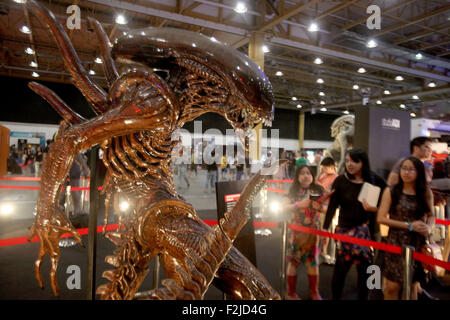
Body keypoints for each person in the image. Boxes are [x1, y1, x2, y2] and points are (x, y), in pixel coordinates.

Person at [323, 148, 386, 300]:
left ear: (363, 163)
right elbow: (333, 206)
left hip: (367, 233)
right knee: (340, 272)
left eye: (354, 161)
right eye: (348, 161)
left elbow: (387, 200)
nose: (350, 164)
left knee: (367, 272)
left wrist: (375, 209)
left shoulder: (374, 180)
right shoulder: (340, 181)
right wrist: (325, 229)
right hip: (344, 231)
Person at [377, 157, 434, 300]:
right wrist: (409, 226)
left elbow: (431, 215)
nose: (406, 172)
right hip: (395, 242)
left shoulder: (425, 192)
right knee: (392, 286)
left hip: (416, 242)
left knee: (412, 286)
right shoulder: (392, 191)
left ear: (418, 172)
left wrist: (429, 227)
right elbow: (381, 218)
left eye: (411, 169)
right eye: (404, 168)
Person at [283, 165, 327, 300]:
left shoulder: (319, 190)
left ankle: (314, 292)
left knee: (313, 263)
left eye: (308, 173)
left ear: (313, 175)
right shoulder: (292, 191)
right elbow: (283, 208)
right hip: (295, 234)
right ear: (297, 176)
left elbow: (328, 209)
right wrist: (298, 205)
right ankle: (290, 293)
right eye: (302, 173)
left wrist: (319, 207)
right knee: (293, 263)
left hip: (313, 234)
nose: (305, 176)